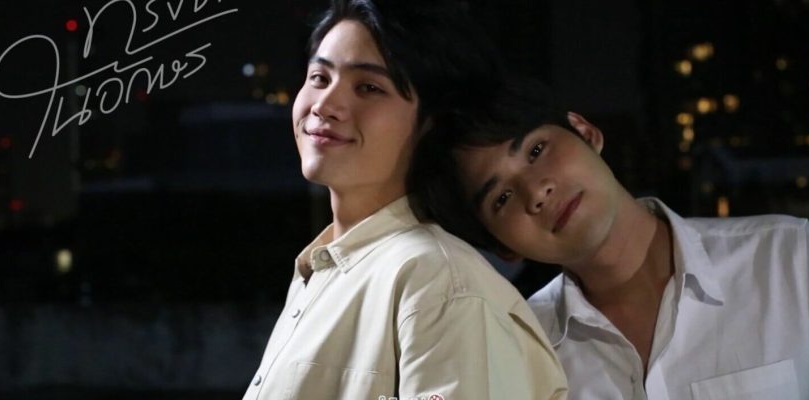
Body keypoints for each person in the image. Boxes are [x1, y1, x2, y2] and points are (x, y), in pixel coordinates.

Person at [410, 78, 809, 399]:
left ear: (585, 132)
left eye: (537, 150)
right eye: (501, 198)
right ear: (502, 247)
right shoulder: (519, 350)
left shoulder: (793, 260)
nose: (536, 191)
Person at [242, 3, 568, 399]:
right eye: (319, 77)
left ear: (430, 123)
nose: (325, 105)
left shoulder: (437, 282)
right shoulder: (329, 269)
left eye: (368, 87)